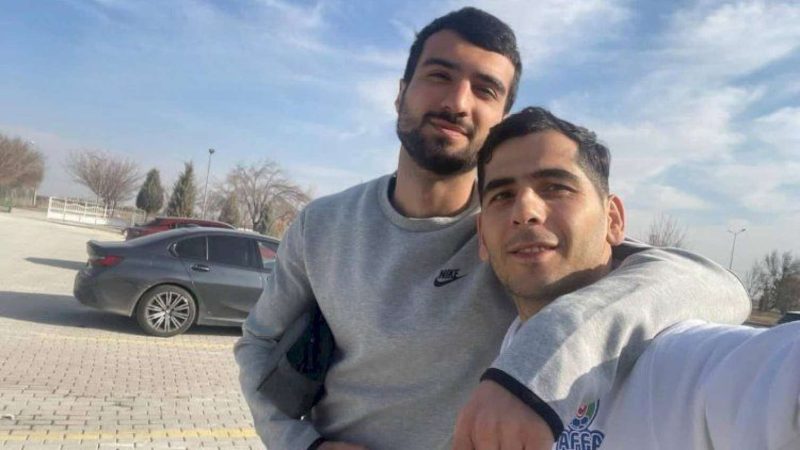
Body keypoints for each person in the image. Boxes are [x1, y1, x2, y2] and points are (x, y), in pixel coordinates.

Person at [234, 7, 750, 450]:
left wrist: (531, 369)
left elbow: (709, 285)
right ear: (401, 93)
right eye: (439, 75)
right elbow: (258, 344)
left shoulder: (516, 233)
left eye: (485, 89)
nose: (458, 103)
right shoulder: (322, 225)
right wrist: (302, 445)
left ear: (501, 118)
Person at [468, 106, 799, 450]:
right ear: (482, 238)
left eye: (555, 187)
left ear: (613, 220)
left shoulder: (677, 361)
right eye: (502, 195)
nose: (525, 211)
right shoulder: (492, 350)